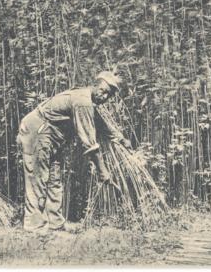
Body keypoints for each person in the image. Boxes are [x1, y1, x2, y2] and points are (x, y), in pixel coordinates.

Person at [17, 71, 130, 234]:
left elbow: (101, 125)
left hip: (52, 136)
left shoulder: (88, 101)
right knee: (37, 176)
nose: (105, 96)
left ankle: (55, 223)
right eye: (103, 91)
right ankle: (34, 225)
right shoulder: (83, 101)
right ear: (95, 84)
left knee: (54, 178)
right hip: (37, 130)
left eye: (109, 95)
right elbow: (90, 144)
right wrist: (103, 171)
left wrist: (121, 139)